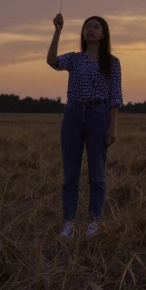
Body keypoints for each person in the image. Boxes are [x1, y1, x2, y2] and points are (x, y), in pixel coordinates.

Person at [47, 13, 123, 238]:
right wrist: (57, 31)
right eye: (87, 27)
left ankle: (94, 221)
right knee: (71, 173)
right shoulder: (74, 59)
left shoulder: (112, 62)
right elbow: (51, 61)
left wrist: (113, 125)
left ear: (103, 34)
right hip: (72, 115)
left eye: (96, 27)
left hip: (99, 116)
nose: (90, 30)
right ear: (82, 33)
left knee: (97, 173)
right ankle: (69, 222)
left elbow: (115, 97)